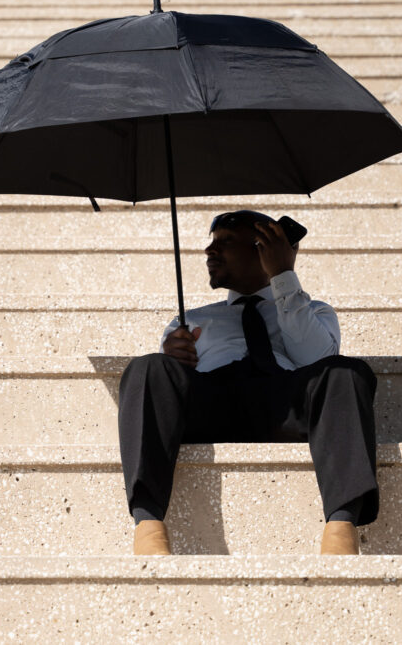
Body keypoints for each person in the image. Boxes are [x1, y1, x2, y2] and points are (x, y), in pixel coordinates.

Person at [117, 210, 378, 555]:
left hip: (284, 403)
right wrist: (173, 359)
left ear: (262, 249)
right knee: (147, 368)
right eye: (211, 243)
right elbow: (162, 394)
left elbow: (315, 359)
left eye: (225, 242)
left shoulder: (312, 311)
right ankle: (148, 526)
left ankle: (341, 527)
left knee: (346, 372)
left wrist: (283, 275)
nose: (210, 252)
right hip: (211, 402)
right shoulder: (190, 320)